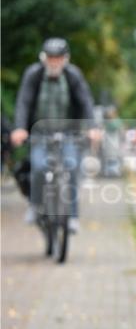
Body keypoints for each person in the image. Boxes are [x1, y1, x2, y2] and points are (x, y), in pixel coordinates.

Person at [12, 38, 96, 230]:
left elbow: (85, 101)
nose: (54, 62)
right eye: (50, 57)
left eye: (58, 58)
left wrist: (92, 127)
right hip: (39, 133)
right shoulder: (34, 74)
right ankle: (35, 205)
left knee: (72, 166)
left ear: (65, 59)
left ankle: (72, 216)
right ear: (44, 58)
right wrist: (20, 128)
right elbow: (23, 102)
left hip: (67, 132)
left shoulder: (73, 75)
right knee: (39, 166)